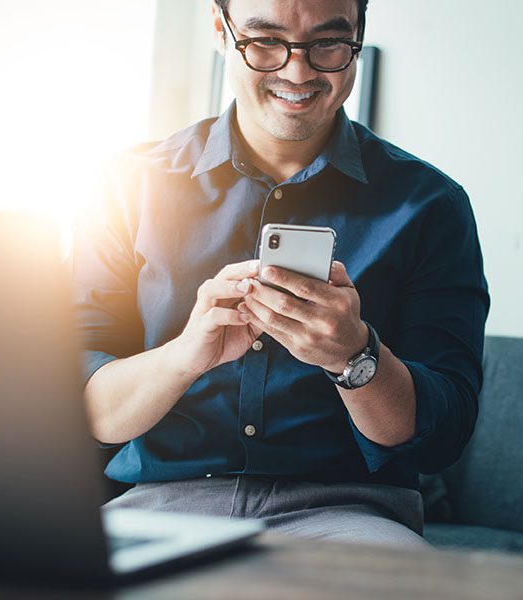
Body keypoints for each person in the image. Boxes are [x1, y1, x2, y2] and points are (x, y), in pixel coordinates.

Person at [72, 0, 489, 548]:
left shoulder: (431, 206)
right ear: (222, 32)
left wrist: (355, 357)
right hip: (157, 507)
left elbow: (442, 438)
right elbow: (84, 407)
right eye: (265, 42)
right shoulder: (127, 188)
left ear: (358, 37)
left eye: (328, 44)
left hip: (350, 515)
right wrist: (183, 356)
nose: (298, 71)